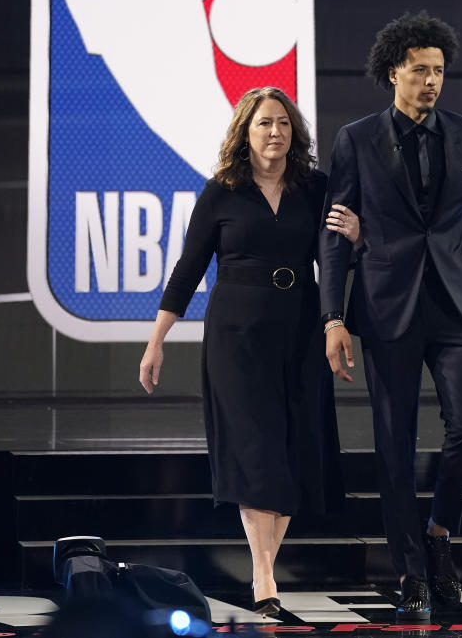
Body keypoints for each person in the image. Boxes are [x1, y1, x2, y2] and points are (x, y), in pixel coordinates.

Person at [139, 86, 354, 617]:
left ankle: (264, 571)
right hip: (237, 334)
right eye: (263, 123)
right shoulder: (222, 191)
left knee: (293, 451)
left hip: (302, 328)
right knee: (256, 452)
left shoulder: (316, 188)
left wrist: (359, 235)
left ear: (294, 132)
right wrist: (156, 339)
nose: (274, 132)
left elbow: (337, 257)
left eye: (282, 122)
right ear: (245, 131)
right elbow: (188, 270)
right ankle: (264, 580)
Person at [318, 11, 462, 619]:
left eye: (439, 71)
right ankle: (411, 572)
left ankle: (439, 534)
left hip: (456, 306)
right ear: (393, 72)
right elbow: (336, 234)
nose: (431, 82)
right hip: (387, 306)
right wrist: (333, 318)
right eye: (420, 71)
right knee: (394, 446)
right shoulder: (356, 139)